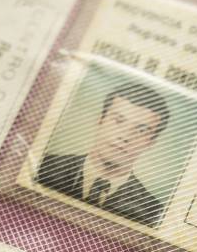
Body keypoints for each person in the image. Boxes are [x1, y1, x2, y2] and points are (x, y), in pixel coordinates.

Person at [37, 82, 170, 228]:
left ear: (150, 143)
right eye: (118, 121)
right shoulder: (43, 165)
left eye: (141, 130)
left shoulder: (152, 212)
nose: (125, 136)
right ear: (100, 121)